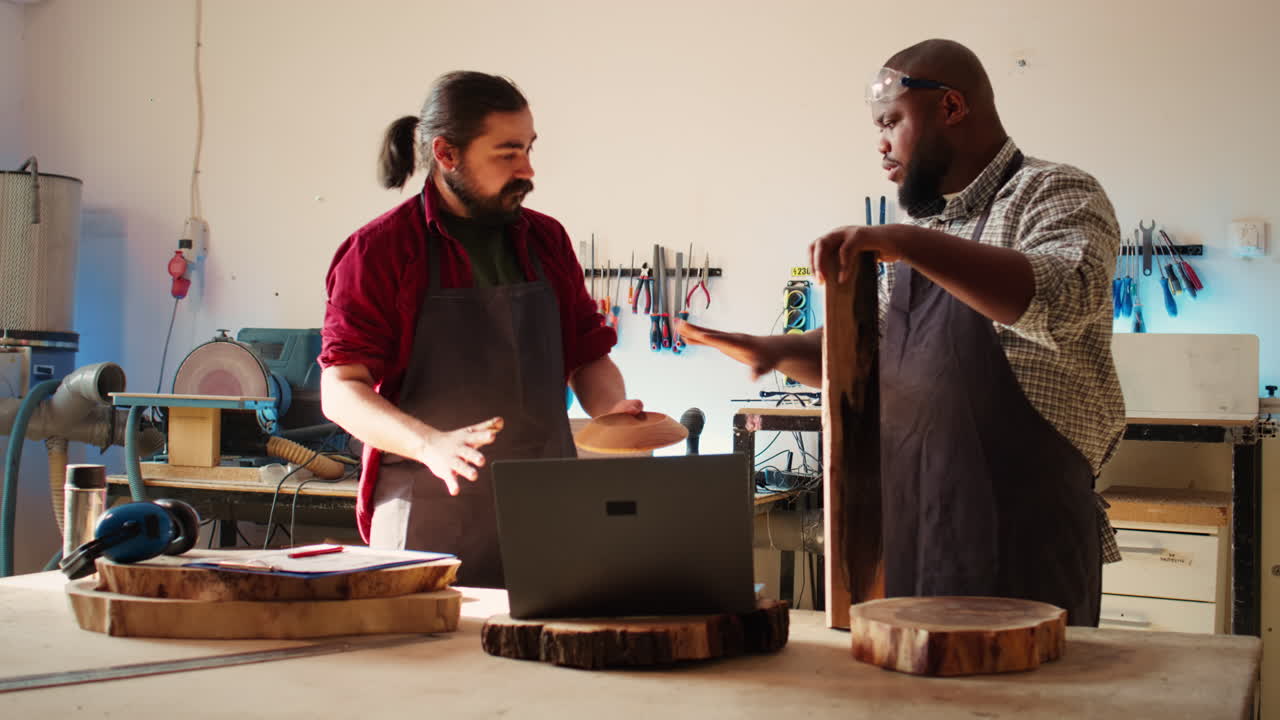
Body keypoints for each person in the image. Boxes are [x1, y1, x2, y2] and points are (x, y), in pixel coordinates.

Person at [681, 39, 1124, 626]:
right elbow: (871, 353)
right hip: (915, 527)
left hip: (1026, 535)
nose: (881, 144)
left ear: (952, 108)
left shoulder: (1054, 192)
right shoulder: (922, 232)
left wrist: (907, 244)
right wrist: (776, 349)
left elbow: (1064, 296)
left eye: (891, 121)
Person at [319, 71, 641, 588]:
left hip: (547, 512)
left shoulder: (546, 240)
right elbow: (340, 390)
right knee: (429, 665)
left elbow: (587, 353)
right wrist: (430, 445)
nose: (527, 169)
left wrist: (612, 413)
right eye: (507, 153)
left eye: (529, 149)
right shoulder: (380, 251)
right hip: (429, 516)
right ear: (446, 154)